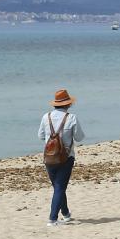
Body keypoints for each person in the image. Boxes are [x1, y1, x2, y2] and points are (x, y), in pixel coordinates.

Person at [38, 89, 86, 226]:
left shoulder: (45, 117)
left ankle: (65, 214)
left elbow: (40, 136)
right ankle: (52, 219)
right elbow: (79, 137)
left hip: (49, 158)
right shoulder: (71, 118)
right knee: (60, 187)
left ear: (55, 104)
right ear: (68, 104)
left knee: (58, 187)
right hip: (66, 158)